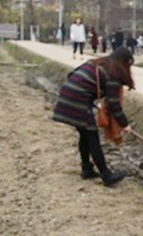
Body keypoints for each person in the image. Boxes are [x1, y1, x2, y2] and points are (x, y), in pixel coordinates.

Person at [52, 47, 135, 186]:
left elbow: (72, 74)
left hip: (67, 95)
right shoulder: (112, 73)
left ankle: (87, 169)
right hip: (77, 101)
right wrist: (125, 124)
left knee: (84, 134)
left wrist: (89, 95)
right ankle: (106, 175)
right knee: (92, 136)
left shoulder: (97, 63)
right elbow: (115, 105)